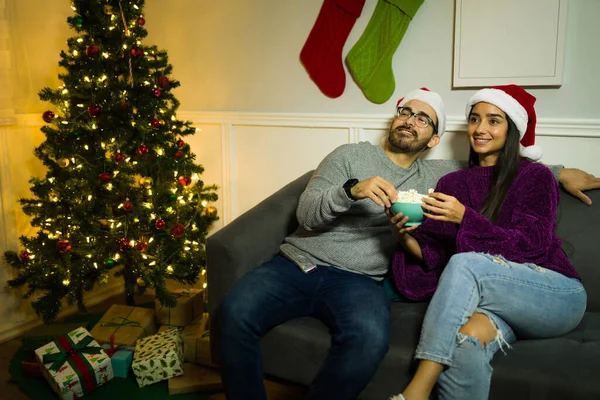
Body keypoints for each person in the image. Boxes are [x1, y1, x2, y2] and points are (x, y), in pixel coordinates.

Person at [217, 87, 598, 400]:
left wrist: (560, 172)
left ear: (434, 139)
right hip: (298, 262)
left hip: (358, 280)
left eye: (423, 118)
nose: (410, 120)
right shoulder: (351, 155)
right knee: (234, 312)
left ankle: (415, 389)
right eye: (405, 111)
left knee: (369, 339)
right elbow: (308, 214)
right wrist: (355, 191)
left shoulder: (438, 175)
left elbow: (511, 171)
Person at [388, 85, 588, 400]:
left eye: (493, 121)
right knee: (467, 340)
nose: (480, 129)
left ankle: (416, 392)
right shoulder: (451, 184)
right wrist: (402, 235)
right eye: (474, 119)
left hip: (555, 294)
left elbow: (531, 245)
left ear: (511, 129)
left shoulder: (535, 177)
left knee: (465, 262)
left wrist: (465, 218)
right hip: (496, 300)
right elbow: (435, 256)